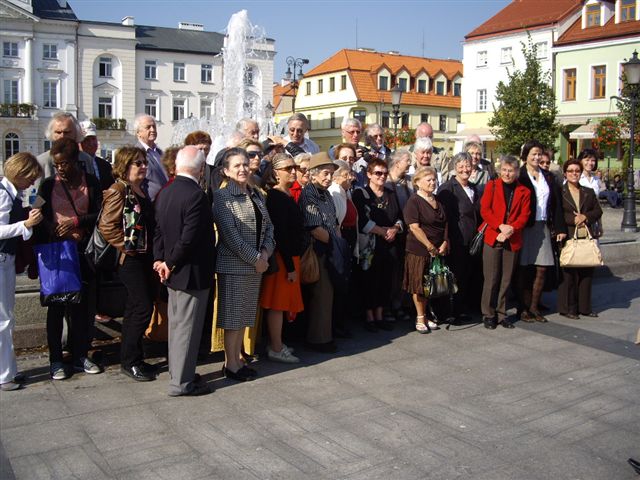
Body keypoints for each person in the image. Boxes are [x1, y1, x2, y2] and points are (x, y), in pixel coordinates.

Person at [35, 138, 103, 380]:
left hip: (84, 253)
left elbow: (100, 214)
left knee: (83, 308)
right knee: (56, 307)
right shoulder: (47, 186)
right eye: (56, 165)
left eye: (64, 164)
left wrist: (76, 222)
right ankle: (55, 360)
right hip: (59, 255)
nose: (60, 169)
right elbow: (37, 214)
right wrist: (53, 228)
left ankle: (80, 355)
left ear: (76, 161)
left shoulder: (91, 183)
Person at [153, 146, 215, 396]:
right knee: (187, 329)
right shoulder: (196, 195)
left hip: (172, 271)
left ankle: (178, 372)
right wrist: (170, 262)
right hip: (190, 271)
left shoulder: (165, 192)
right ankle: (182, 383)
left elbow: (158, 230)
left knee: (177, 327)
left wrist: (161, 260)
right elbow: (189, 239)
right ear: (201, 169)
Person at [213, 148, 275, 381]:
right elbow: (231, 237)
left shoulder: (256, 194)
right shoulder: (222, 197)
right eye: (236, 165)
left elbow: (269, 227)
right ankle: (231, 365)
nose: (242, 169)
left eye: (245, 164)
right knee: (233, 317)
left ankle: (237, 361)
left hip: (257, 264)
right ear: (226, 171)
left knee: (244, 316)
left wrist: (266, 254)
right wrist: (256, 259)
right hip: (234, 266)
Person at [99, 146, 157, 382]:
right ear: (124, 166)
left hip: (144, 258)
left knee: (136, 308)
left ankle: (135, 357)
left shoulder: (139, 188)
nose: (143, 166)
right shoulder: (118, 189)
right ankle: (129, 361)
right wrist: (127, 247)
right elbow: (106, 226)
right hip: (130, 260)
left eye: (144, 162)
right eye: (137, 163)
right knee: (142, 308)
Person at [1, 153, 43, 391]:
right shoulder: (4, 194)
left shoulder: (8, 193)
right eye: (30, 178)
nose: (32, 183)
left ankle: (8, 371)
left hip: (5, 259)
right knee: (4, 320)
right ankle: (4, 375)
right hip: (2, 260)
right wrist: (26, 224)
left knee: (6, 319)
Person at [260, 153, 305, 363]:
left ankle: (277, 343)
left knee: (282, 304)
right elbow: (281, 236)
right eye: (288, 168)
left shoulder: (285, 195)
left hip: (289, 257)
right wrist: (289, 266)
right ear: (276, 172)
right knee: (277, 305)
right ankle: (276, 347)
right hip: (281, 259)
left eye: (294, 167)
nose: (293, 171)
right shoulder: (276, 197)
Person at [517, 141, 567, 323]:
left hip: (544, 226)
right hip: (525, 227)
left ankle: (534, 307)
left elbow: (556, 204)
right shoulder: (520, 175)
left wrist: (560, 227)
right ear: (525, 156)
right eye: (533, 154)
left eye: (539, 154)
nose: (536, 157)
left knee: (542, 268)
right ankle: (523, 308)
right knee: (525, 269)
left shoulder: (548, 176)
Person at [479, 155, 531, 329]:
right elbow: (485, 210)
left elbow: (525, 215)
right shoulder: (492, 186)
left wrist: (511, 229)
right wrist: (500, 226)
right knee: (491, 278)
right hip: (493, 236)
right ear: (500, 170)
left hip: (512, 238)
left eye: (511, 170)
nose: (507, 173)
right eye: (504, 170)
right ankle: (488, 313)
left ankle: (501, 314)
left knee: (506, 279)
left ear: (517, 172)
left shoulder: (524, 191)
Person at [352, 159, 404, 332]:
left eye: (384, 173)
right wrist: (382, 231)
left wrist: (395, 229)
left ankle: (380, 315)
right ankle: (370, 317)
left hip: (389, 245)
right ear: (369, 174)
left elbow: (399, 217)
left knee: (385, 280)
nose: (382, 176)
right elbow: (361, 220)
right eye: (377, 173)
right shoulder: (361, 194)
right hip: (370, 247)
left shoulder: (391, 193)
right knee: (369, 281)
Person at [299, 152, 339, 352]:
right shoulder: (309, 193)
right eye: (325, 173)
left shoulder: (327, 193)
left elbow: (333, 221)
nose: (329, 177)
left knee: (327, 295)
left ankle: (325, 335)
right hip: (318, 250)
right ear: (313, 175)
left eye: (331, 174)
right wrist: (336, 243)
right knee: (321, 295)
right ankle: (318, 339)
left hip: (329, 248)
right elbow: (314, 227)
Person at [402, 166, 448, 333]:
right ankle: (420, 317)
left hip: (437, 249)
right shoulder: (413, 201)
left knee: (431, 284)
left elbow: (445, 224)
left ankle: (427, 314)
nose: (432, 182)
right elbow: (414, 227)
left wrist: (444, 243)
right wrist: (429, 245)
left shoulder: (437, 200)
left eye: (434, 179)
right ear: (417, 183)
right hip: (420, 250)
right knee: (419, 284)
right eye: (428, 179)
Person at [557, 159, 603, 319]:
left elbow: (598, 211)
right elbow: (556, 213)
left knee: (586, 271)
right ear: (565, 173)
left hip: (586, 234)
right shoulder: (560, 192)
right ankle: (569, 308)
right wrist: (572, 219)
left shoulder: (588, 192)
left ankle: (585, 307)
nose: (574, 173)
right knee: (568, 273)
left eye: (577, 170)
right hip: (568, 234)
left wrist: (586, 217)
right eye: (570, 171)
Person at [437, 152, 481, 319]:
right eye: (461, 166)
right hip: (455, 240)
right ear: (454, 168)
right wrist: (446, 239)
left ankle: (461, 308)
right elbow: (443, 217)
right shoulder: (448, 188)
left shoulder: (474, 188)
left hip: (471, 240)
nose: (465, 169)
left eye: (468, 166)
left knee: (466, 275)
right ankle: (449, 311)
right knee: (454, 276)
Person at [328, 159, 357, 337]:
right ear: (337, 177)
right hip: (341, 241)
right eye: (347, 175)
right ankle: (336, 325)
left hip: (348, 239)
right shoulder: (336, 193)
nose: (351, 178)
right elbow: (337, 222)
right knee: (339, 286)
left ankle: (341, 322)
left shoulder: (345, 192)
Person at [37, 112, 96, 179]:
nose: (62, 136)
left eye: (67, 132)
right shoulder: (42, 162)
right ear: (51, 134)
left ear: (76, 133)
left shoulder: (86, 159)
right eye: (58, 132)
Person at [134, 114, 167, 200]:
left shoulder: (160, 153)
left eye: (154, 126)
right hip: (150, 203)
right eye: (148, 127)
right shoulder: (135, 153)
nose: (152, 130)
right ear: (138, 133)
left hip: (166, 202)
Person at [79, 120, 115, 192]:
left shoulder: (105, 165)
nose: (91, 143)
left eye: (93, 139)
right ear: (79, 142)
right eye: (87, 140)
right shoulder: (75, 165)